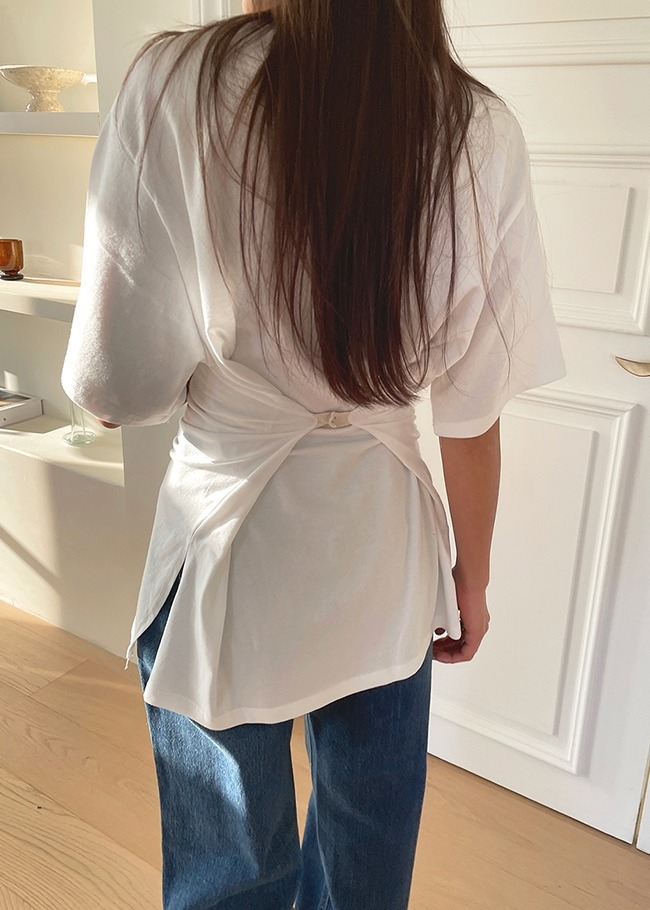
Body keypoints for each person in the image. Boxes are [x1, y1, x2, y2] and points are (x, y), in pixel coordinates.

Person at [61, 1, 565, 907]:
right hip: (387, 557)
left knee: (230, 871)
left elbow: (111, 386)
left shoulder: (178, 85)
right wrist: (473, 581)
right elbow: (473, 410)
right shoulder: (476, 125)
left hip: (228, 544)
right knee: (367, 862)